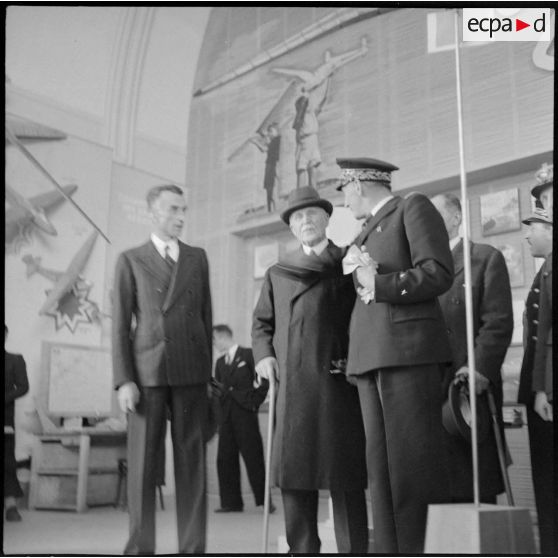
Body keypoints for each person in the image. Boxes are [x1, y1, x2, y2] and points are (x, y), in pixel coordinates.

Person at [337, 157, 453, 554]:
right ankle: (389, 549)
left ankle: (415, 549)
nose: (344, 198)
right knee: (381, 467)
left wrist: (382, 284)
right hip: (372, 357)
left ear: (360, 183)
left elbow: (438, 271)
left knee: (408, 464)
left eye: (344, 188)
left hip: (407, 353)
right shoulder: (364, 229)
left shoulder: (412, 207)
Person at [252, 186, 368, 554]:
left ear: (326, 218)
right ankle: (302, 549)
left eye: (311, 214)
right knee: (295, 473)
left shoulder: (348, 261)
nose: (305, 221)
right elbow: (261, 325)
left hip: (339, 381)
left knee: (345, 474)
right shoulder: (278, 272)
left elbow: (366, 316)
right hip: (292, 386)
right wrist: (263, 356)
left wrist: (355, 358)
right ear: (291, 227)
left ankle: (354, 549)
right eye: (297, 217)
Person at [112, 184, 213, 555]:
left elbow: (205, 318)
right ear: (152, 212)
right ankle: (140, 548)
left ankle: (193, 548)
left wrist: (208, 377)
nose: (181, 217)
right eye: (173, 209)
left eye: (183, 209)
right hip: (146, 375)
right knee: (142, 469)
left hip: (191, 374)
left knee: (193, 469)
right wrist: (124, 380)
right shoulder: (130, 259)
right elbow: (121, 326)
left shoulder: (197, 258)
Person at [431, 193, 514, 503]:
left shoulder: (484, 258)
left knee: (474, 487)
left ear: (455, 217)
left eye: (435, 215)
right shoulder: (421, 270)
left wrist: (478, 368)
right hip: (428, 391)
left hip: (466, 391)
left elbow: (498, 323)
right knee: (436, 491)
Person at [519, 162, 555, 554]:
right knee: (545, 479)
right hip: (539, 386)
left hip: (547, 387)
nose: (529, 235)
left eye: (535, 227)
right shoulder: (542, 272)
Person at [211, 324, 270, 513]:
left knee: (254, 457)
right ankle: (231, 502)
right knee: (225, 459)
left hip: (245, 415)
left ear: (222, 337)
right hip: (226, 418)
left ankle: (265, 501)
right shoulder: (220, 363)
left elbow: (263, 382)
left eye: (214, 339)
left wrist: (254, 402)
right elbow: (219, 389)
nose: (213, 344)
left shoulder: (248, 355)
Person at [4, 324, 29, 522]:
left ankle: (11, 506)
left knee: (7, 462)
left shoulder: (15, 360)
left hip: (5, 419)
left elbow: (23, 387)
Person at [262, 123, 281, 212]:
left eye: (271, 131)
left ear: (277, 131)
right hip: (269, 166)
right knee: (269, 189)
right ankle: (270, 210)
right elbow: (265, 148)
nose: (269, 133)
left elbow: (275, 155)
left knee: (273, 189)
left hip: (273, 166)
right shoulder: (273, 141)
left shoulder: (277, 140)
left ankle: (274, 209)